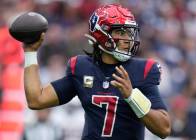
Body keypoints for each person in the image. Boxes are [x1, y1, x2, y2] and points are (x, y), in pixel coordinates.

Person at [23, 4, 171, 140]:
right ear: (102, 35)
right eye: (121, 32)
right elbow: (37, 100)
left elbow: (164, 129)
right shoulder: (82, 67)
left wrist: (132, 96)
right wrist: (30, 52)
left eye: (129, 33)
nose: (128, 39)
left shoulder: (143, 70)